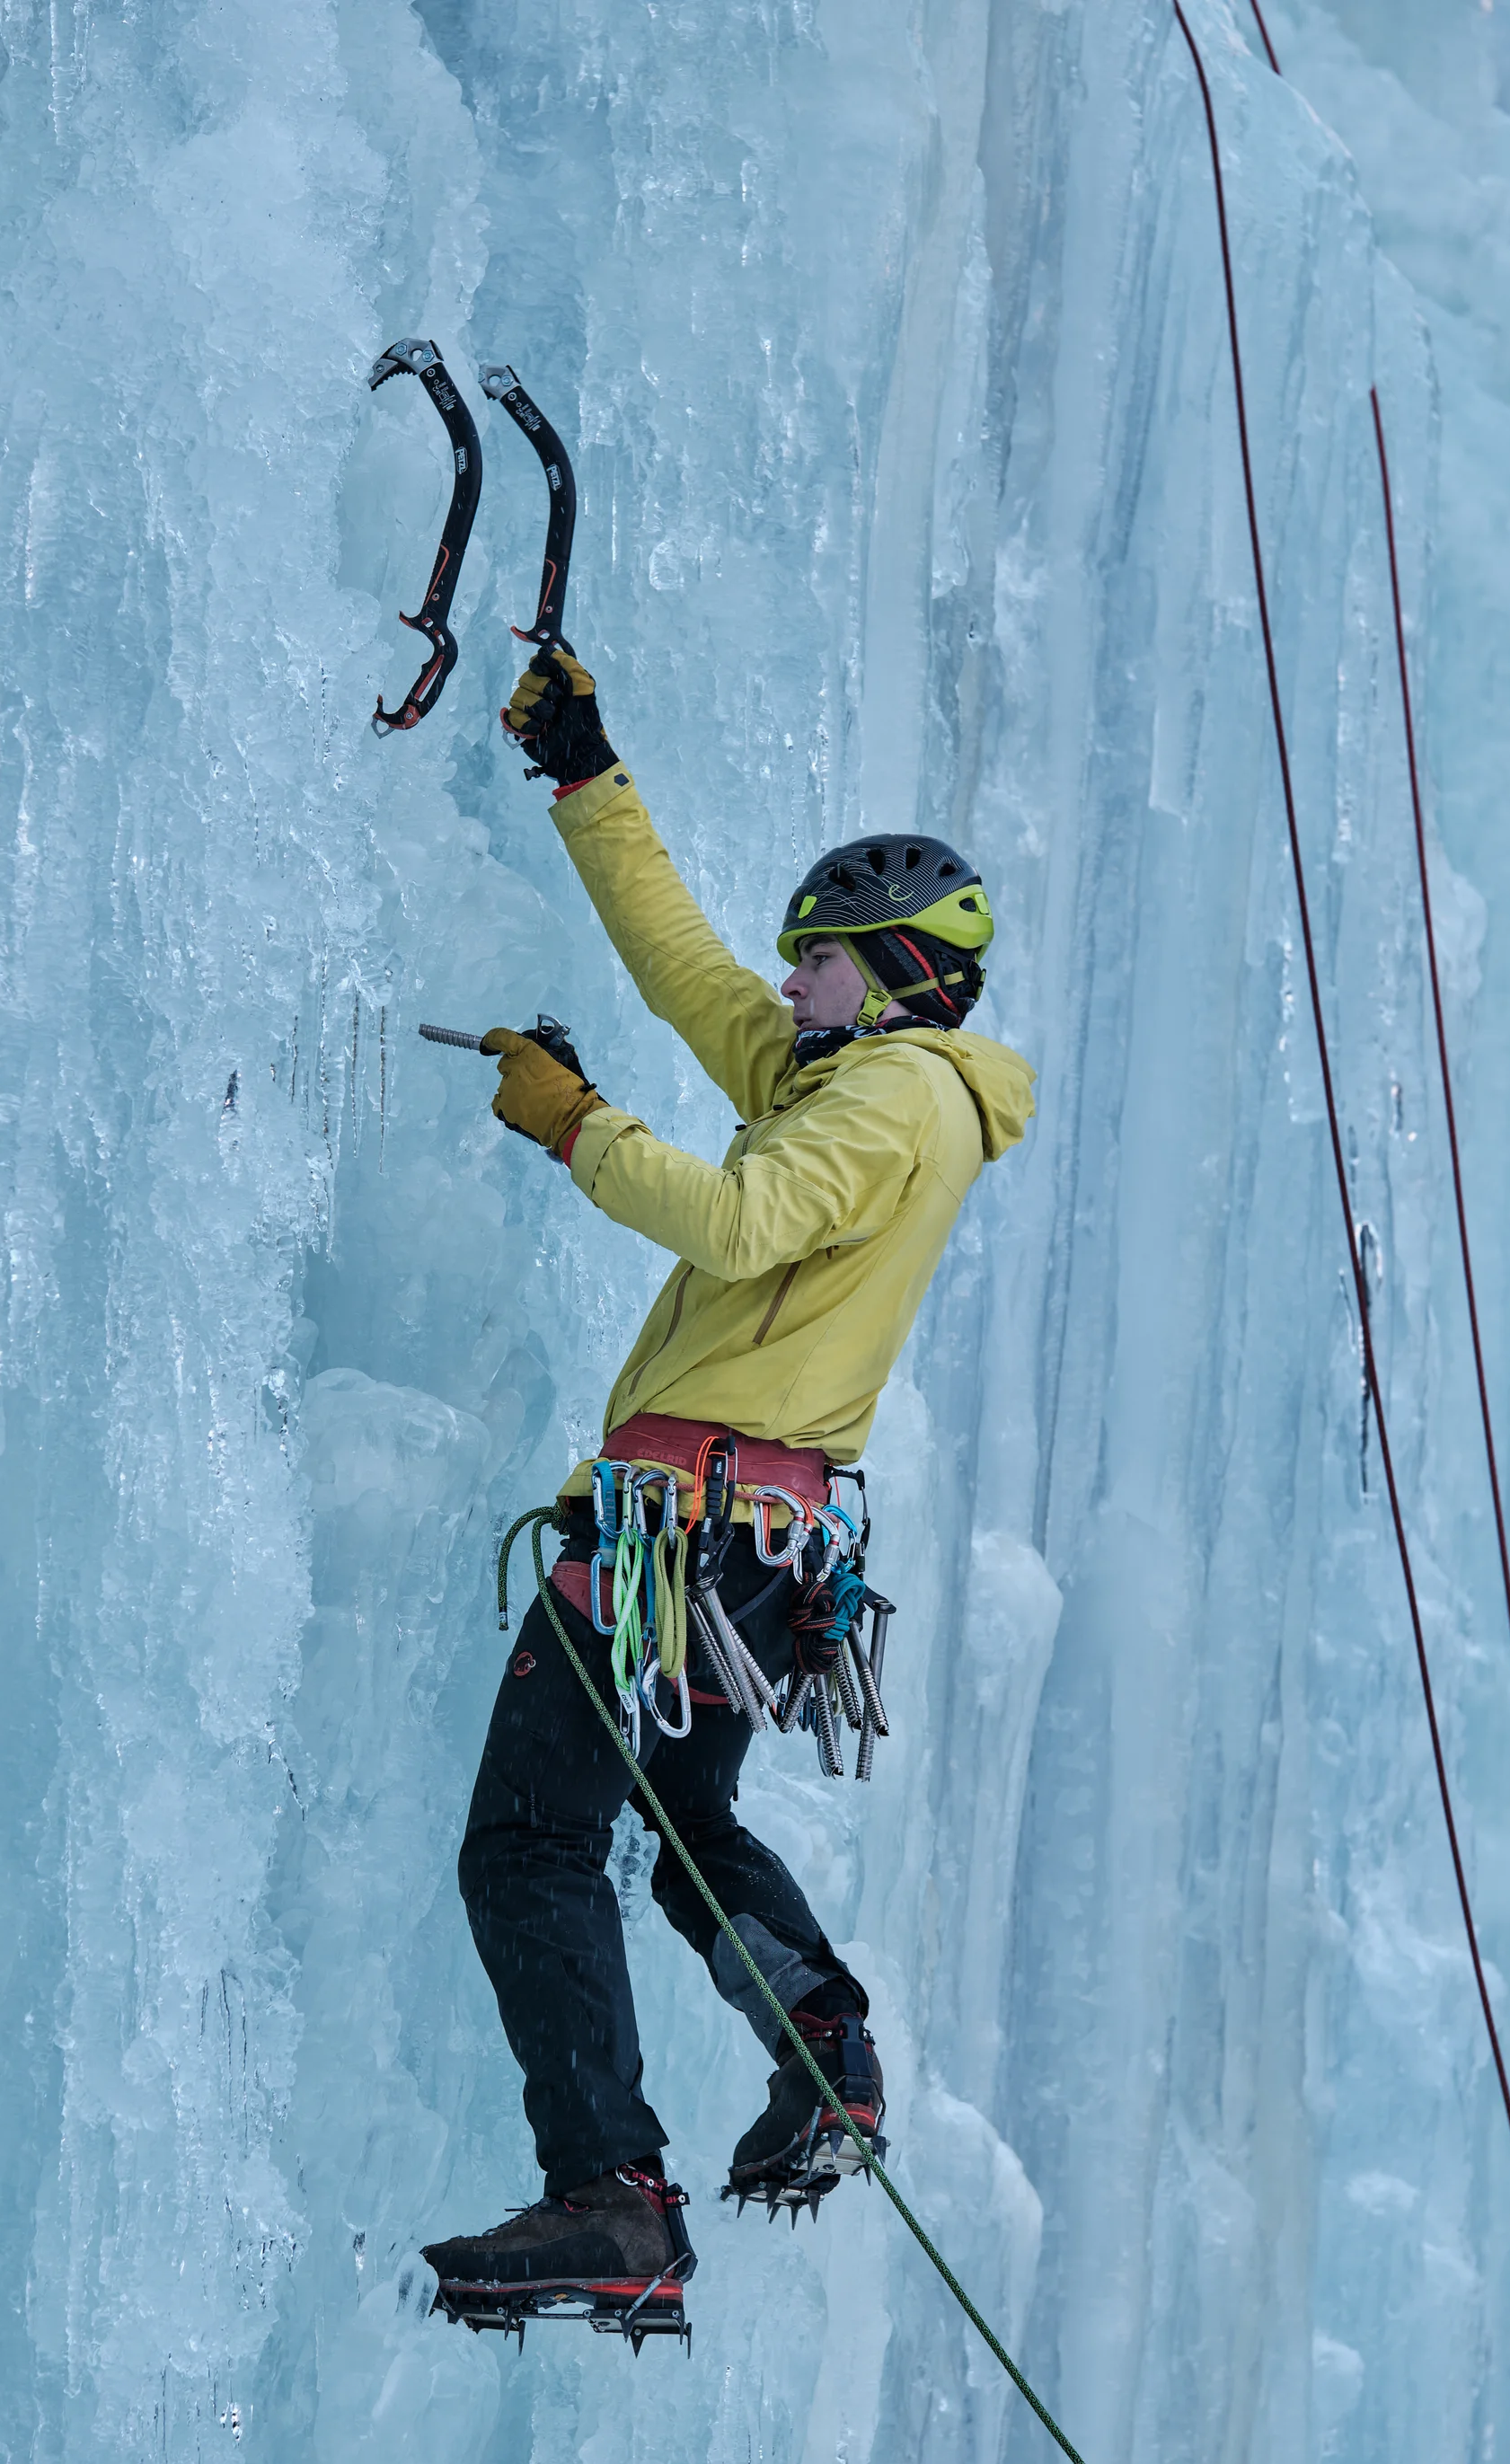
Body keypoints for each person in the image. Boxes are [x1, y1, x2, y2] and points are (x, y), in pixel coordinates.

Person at [423, 650, 1036, 2328]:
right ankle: (822, 2055)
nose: (790, 972)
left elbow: (739, 1224)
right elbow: (692, 968)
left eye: (820, 955)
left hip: (679, 1540)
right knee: (681, 1826)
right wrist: (587, 776)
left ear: (895, 974)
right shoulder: (863, 1084)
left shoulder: (891, 1099)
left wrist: (577, 1128)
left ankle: (610, 2199)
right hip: (746, 1554)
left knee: (529, 1849)